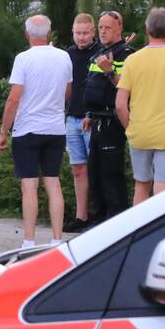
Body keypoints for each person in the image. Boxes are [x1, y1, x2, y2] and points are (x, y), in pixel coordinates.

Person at [0, 15, 72, 249]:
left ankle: (29, 241)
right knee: (53, 182)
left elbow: (13, 98)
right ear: (49, 34)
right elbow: (68, 92)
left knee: (29, 186)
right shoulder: (64, 57)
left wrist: (3, 132)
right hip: (56, 128)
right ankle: (57, 239)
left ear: (27, 34)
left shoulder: (23, 59)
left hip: (27, 129)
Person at [116, 7, 165, 204]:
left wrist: (130, 128)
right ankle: (161, 232)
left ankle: (139, 231)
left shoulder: (132, 60)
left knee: (141, 185)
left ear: (147, 29)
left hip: (140, 131)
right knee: (163, 186)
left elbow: (120, 104)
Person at [82, 10, 135, 224]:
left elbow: (126, 88)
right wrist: (88, 114)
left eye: (108, 28)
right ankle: (99, 221)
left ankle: (116, 222)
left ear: (120, 28)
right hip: (96, 120)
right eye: (101, 28)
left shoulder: (126, 54)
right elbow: (93, 86)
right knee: (95, 175)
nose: (103, 32)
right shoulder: (101, 52)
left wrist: (110, 70)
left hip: (113, 122)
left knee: (111, 175)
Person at [63, 14, 99, 233]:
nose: (82, 37)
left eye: (86, 33)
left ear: (93, 32)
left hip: (92, 119)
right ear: (73, 32)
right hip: (72, 118)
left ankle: (98, 213)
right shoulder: (67, 55)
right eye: (78, 33)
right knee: (78, 168)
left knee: (96, 168)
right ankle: (81, 215)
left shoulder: (100, 53)